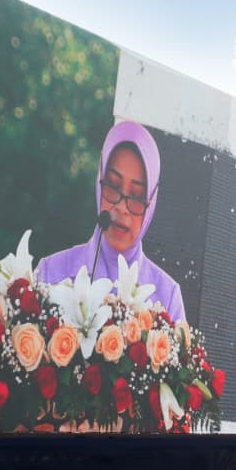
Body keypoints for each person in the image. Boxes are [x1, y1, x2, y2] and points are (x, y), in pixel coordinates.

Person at [36, 121, 185, 322]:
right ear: (100, 182)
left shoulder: (168, 298)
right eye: (113, 186)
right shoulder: (51, 272)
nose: (122, 207)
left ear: (151, 201)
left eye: (137, 196)